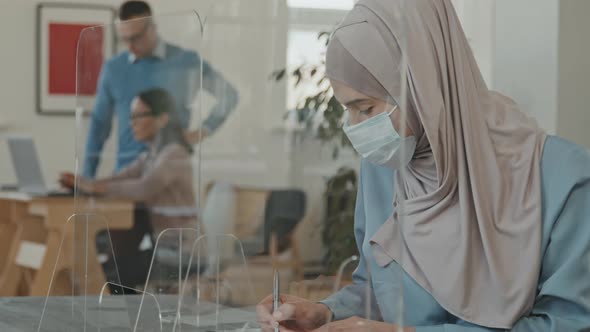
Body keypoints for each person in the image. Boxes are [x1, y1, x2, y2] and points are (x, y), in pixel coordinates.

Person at [257, 0, 590, 331]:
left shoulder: (562, 179)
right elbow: (382, 293)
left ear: (421, 87)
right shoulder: (386, 165)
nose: (354, 128)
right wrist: (325, 312)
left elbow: (570, 323)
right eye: (348, 110)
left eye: (366, 108)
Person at [83, 0, 238, 178]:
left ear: (152, 28)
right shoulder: (113, 69)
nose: (130, 46)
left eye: (135, 37)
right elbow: (99, 126)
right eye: (124, 39)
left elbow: (229, 95)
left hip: (170, 177)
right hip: (126, 177)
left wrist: (203, 130)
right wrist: (86, 180)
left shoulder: (186, 62)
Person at [62, 88, 198, 289]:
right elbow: (118, 179)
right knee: (107, 270)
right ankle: (125, 317)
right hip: (162, 248)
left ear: (162, 119)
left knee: (110, 275)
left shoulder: (174, 154)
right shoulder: (150, 156)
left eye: (138, 115)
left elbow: (144, 188)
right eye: (131, 116)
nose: (131, 122)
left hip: (184, 253)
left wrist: (93, 186)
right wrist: (83, 184)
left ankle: (123, 319)